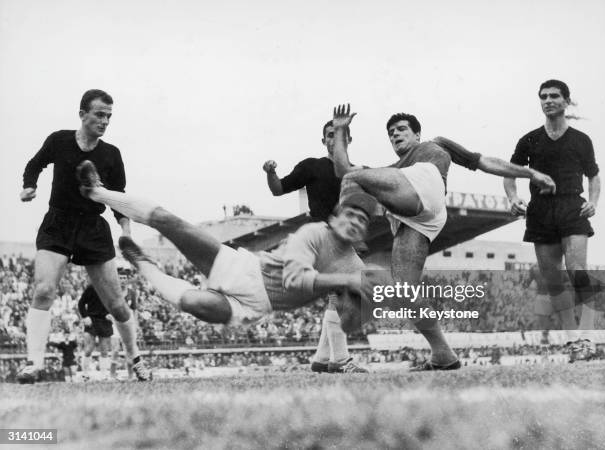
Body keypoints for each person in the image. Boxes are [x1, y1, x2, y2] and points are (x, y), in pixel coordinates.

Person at [331, 104, 556, 371]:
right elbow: (341, 167)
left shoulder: (435, 145)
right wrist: (341, 130)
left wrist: (530, 173)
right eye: (391, 133)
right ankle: (443, 355)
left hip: (427, 183)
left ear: (417, 135)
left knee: (354, 178)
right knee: (405, 292)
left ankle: (348, 240)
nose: (395, 135)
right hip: (420, 219)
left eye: (402, 130)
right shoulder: (390, 170)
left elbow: (484, 162)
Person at [76, 160, 384, 341]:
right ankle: (96, 191)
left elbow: (349, 324)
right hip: (247, 270)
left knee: (193, 302)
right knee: (170, 222)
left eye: (362, 219)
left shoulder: (355, 268)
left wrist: (357, 305)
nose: (355, 221)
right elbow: (295, 279)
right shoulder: (314, 233)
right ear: (335, 217)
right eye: (350, 214)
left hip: (255, 306)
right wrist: (345, 284)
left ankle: (142, 263)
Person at [18, 89, 150, 383]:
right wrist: (30, 185)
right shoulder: (59, 140)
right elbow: (34, 164)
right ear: (82, 114)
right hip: (58, 223)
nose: (104, 121)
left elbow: (118, 197)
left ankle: (135, 357)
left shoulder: (111, 154)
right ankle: (32, 364)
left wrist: (126, 230)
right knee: (43, 291)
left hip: (93, 227)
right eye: (99, 115)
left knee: (116, 304)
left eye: (109, 117)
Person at [503, 79, 601, 360]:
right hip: (541, 210)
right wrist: (513, 198)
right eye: (543, 96)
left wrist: (593, 203)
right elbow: (510, 172)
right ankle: (573, 340)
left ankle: (588, 337)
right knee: (553, 278)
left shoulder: (581, 140)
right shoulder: (530, 139)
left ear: (566, 101)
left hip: (572, 205)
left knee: (577, 269)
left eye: (554, 96)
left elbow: (594, 175)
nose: (548, 100)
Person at [263, 120, 365, 373]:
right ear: (324, 141)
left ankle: (322, 358)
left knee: (350, 290)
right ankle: (340, 360)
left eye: (339, 135)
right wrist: (270, 173)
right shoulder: (313, 166)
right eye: (330, 135)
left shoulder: (357, 172)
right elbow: (278, 189)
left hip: (341, 243)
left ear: (348, 140)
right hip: (319, 238)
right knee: (350, 288)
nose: (334, 139)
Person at [78, 285, 113, 380]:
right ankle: (85, 374)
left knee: (104, 350)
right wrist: (85, 317)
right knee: (88, 349)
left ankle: (104, 375)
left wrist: (111, 314)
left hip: (105, 321)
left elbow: (115, 304)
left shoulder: (111, 287)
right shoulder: (91, 288)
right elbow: (81, 303)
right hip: (91, 320)